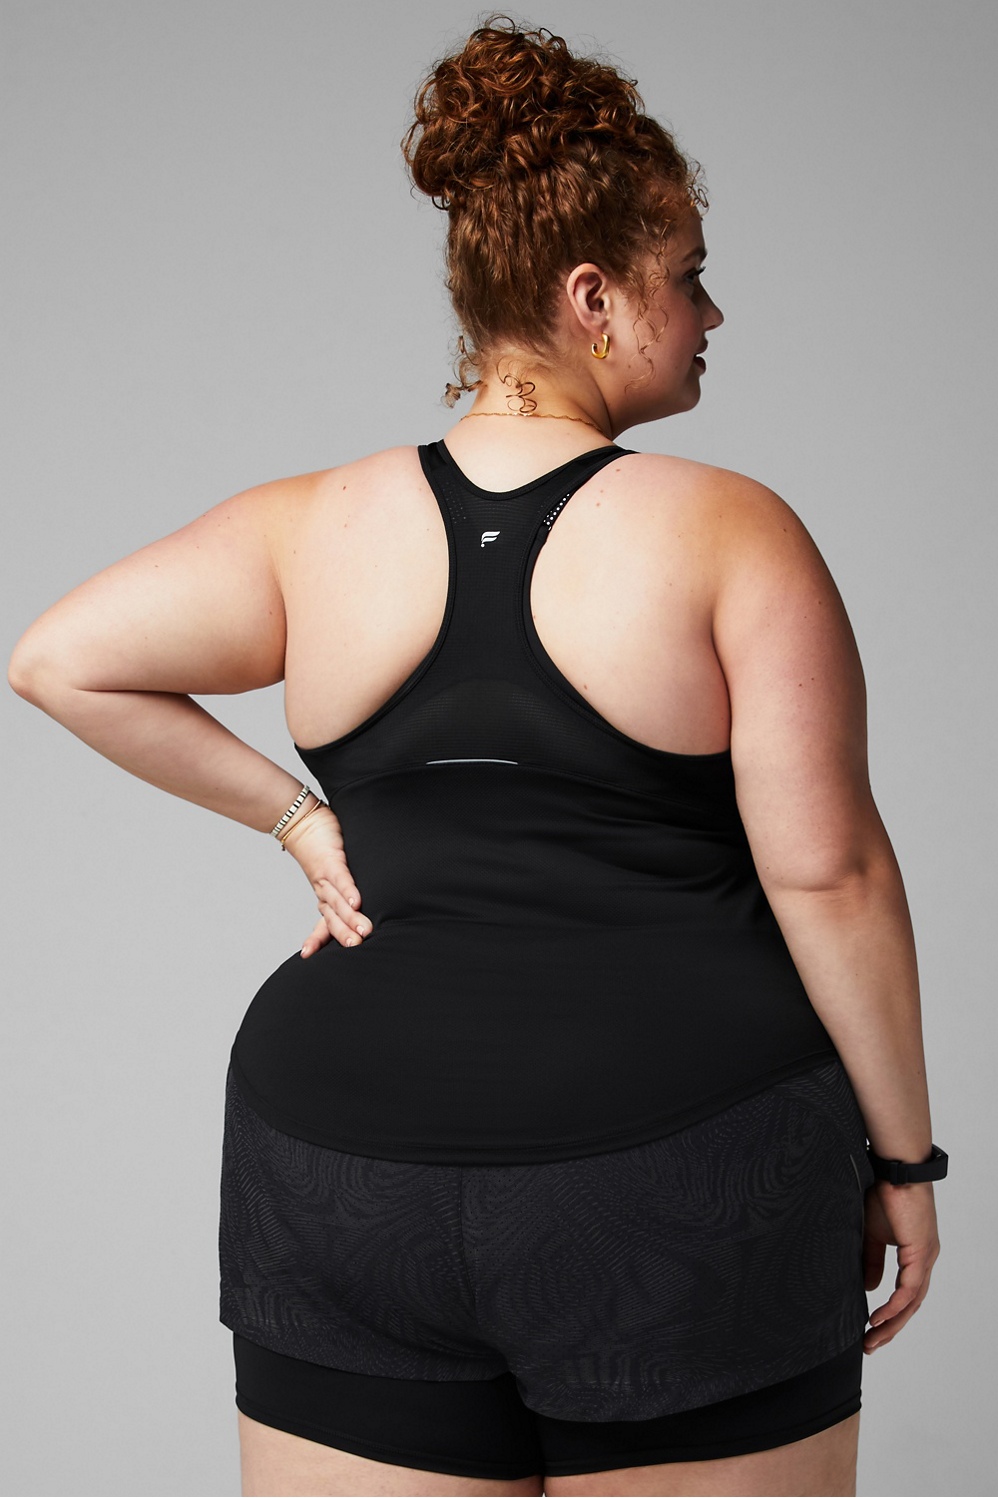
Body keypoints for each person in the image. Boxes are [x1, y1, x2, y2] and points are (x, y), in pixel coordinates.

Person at [7, 13, 947, 1498]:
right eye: (688, 275)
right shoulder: (731, 531)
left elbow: (54, 657)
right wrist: (904, 1162)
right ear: (592, 297)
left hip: (338, 1168)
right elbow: (830, 874)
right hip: (675, 1170)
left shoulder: (313, 526)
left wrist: (293, 815)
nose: (712, 311)